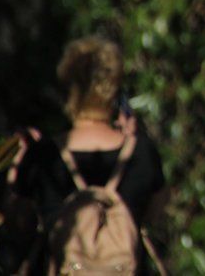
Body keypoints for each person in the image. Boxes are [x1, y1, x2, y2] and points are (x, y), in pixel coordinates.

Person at [12, 36, 166, 274]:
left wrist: (17, 169)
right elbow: (155, 215)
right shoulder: (141, 153)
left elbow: (18, 223)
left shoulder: (44, 156)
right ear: (114, 87)